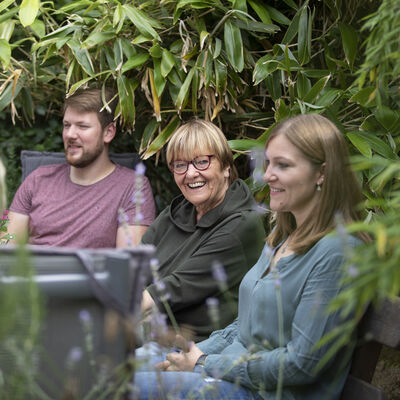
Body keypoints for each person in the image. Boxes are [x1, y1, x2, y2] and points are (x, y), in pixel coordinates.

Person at [132, 114, 369, 400]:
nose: (267, 175)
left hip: (263, 393)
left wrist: (206, 363)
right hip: (226, 375)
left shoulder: (336, 252)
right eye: (269, 163)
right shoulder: (281, 239)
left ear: (322, 173)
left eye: (283, 165)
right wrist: (195, 354)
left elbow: (301, 364)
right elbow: (242, 327)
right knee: (99, 372)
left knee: (117, 386)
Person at [140, 119, 265, 342]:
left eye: (201, 162)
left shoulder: (240, 225)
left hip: (198, 352)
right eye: (180, 165)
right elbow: (134, 266)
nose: (190, 173)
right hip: (149, 335)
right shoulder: (178, 211)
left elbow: (172, 290)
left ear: (226, 167)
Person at [4, 88, 155, 248]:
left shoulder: (133, 187)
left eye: (82, 126)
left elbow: (129, 264)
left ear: (108, 132)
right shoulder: (38, 179)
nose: (70, 134)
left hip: (92, 272)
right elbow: (6, 246)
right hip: (35, 272)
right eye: (66, 125)